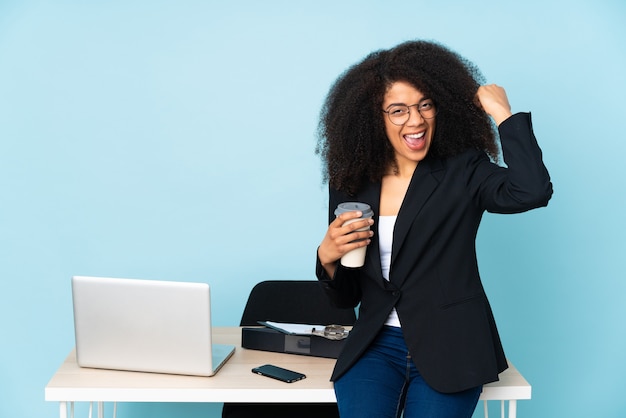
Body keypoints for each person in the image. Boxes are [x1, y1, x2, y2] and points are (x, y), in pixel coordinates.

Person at [315, 40, 553, 418]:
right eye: (398, 110)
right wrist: (327, 258)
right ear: (371, 117)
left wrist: (502, 114)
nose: (416, 120)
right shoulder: (352, 181)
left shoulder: (464, 169)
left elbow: (532, 191)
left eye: (425, 104)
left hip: (452, 346)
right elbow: (346, 298)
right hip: (375, 346)